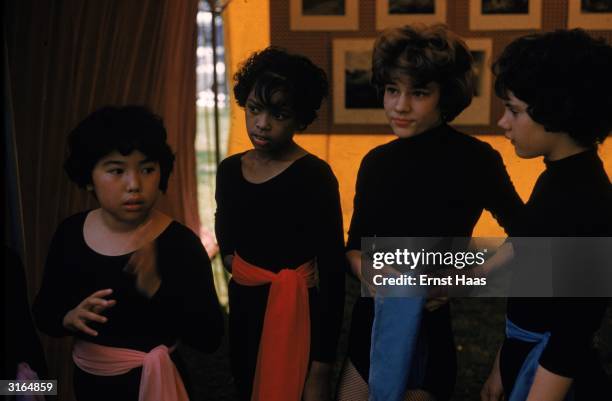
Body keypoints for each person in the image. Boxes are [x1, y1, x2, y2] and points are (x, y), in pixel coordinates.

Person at [337, 24, 523, 401]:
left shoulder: (477, 160)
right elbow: (354, 248)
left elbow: (529, 234)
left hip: (430, 326)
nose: (400, 105)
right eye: (392, 90)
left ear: (446, 94)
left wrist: (468, 279)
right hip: (371, 322)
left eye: (418, 93)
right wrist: (368, 270)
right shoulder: (376, 163)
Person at [32, 106, 224, 401]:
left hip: (163, 382)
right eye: (116, 170)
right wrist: (67, 318)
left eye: (147, 169)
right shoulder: (70, 233)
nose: (134, 184)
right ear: (88, 177)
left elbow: (209, 337)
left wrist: (157, 288)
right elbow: (44, 313)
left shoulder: (180, 243)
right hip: (90, 386)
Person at [481, 29, 612, 401]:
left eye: (514, 110)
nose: (503, 123)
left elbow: (573, 333)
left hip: (549, 379)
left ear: (558, 110)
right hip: (525, 360)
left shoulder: (587, 202)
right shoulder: (557, 178)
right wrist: (501, 364)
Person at [214, 47, 346, 401]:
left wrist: (322, 367)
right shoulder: (229, 170)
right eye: (254, 110)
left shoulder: (316, 176)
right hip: (245, 312)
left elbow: (332, 273)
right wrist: (237, 264)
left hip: (299, 316)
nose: (261, 123)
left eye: (279, 114)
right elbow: (224, 232)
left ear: (300, 119)